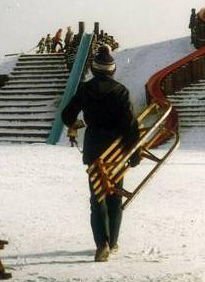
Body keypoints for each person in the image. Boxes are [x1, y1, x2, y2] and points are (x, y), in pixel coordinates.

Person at [61, 44, 140, 262]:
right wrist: (134, 154)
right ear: (112, 70)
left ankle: (101, 244)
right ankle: (113, 242)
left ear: (94, 69)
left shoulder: (85, 89)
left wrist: (77, 124)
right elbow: (130, 126)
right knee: (114, 196)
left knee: (97, 197)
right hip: (117, 152)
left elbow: (67, 115)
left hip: (95, 149)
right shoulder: (121, 91)